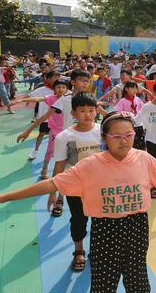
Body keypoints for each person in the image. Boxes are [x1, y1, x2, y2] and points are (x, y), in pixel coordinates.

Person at [0, 111, 156, 292]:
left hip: (137, 226)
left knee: (139, 284)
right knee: (104, 284)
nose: (124, 140)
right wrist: (4, 197)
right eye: (117, 136)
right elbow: (52, 184)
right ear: (104, 137)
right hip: (106, 229)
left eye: (129, 135)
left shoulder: (142, 158)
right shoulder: (90, 166)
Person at [49, 93, 102, 270]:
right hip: (76, 187)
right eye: (82, 111)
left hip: (101, 186)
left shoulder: (103, 131)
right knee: (79, 219)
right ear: (73, 113)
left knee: (101, 219)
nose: (87, 114)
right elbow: (59, 165)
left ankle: (97, 249)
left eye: (91, 110)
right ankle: (79, 250)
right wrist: (53, 192)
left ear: (96, 111)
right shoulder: (65, 137)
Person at [15, 80, 69, 180]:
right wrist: (23, 100)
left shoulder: (69, 99)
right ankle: (44, 169)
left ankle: (66, 170)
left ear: (67, 89)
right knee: (50, 150)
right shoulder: (51, 98)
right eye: (58, 87)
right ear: (54, 89)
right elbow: (38, 99)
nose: (61, 89)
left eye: (63, 87)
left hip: (67, 130)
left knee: (67, 152)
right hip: (55, 130)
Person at [25, 71, 60, 160]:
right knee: (41, 134)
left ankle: (56, 152)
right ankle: (36, 150)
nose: (57, 79)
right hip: (45, 118)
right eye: (55, 77)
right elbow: (30, 95)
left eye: (58, 78)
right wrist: (27, 100)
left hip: (57, 119)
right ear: (48, 79)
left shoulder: (61, 89)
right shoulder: (42, 90)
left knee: (57, 136)